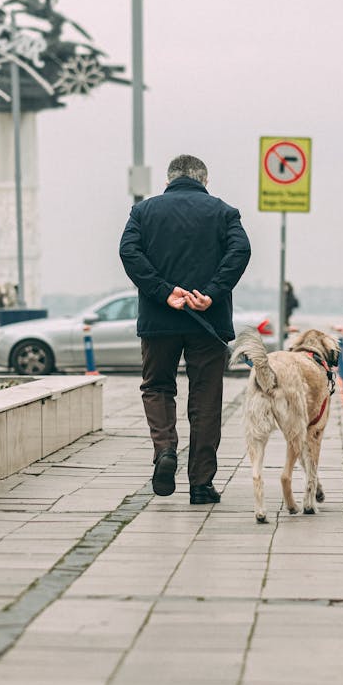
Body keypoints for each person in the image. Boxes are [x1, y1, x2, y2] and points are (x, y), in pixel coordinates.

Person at [119, 154, 251, 504]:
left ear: (168, 179)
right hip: (207, 322)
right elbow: (241, 250)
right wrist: (211, 292)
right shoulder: (224, 212)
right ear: (204, 181)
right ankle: (201, 484)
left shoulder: (144, 212)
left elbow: (129, 252)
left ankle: (165, 450)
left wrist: (164, 292)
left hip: (159, 320)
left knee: (158, 387)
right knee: (206, 399)